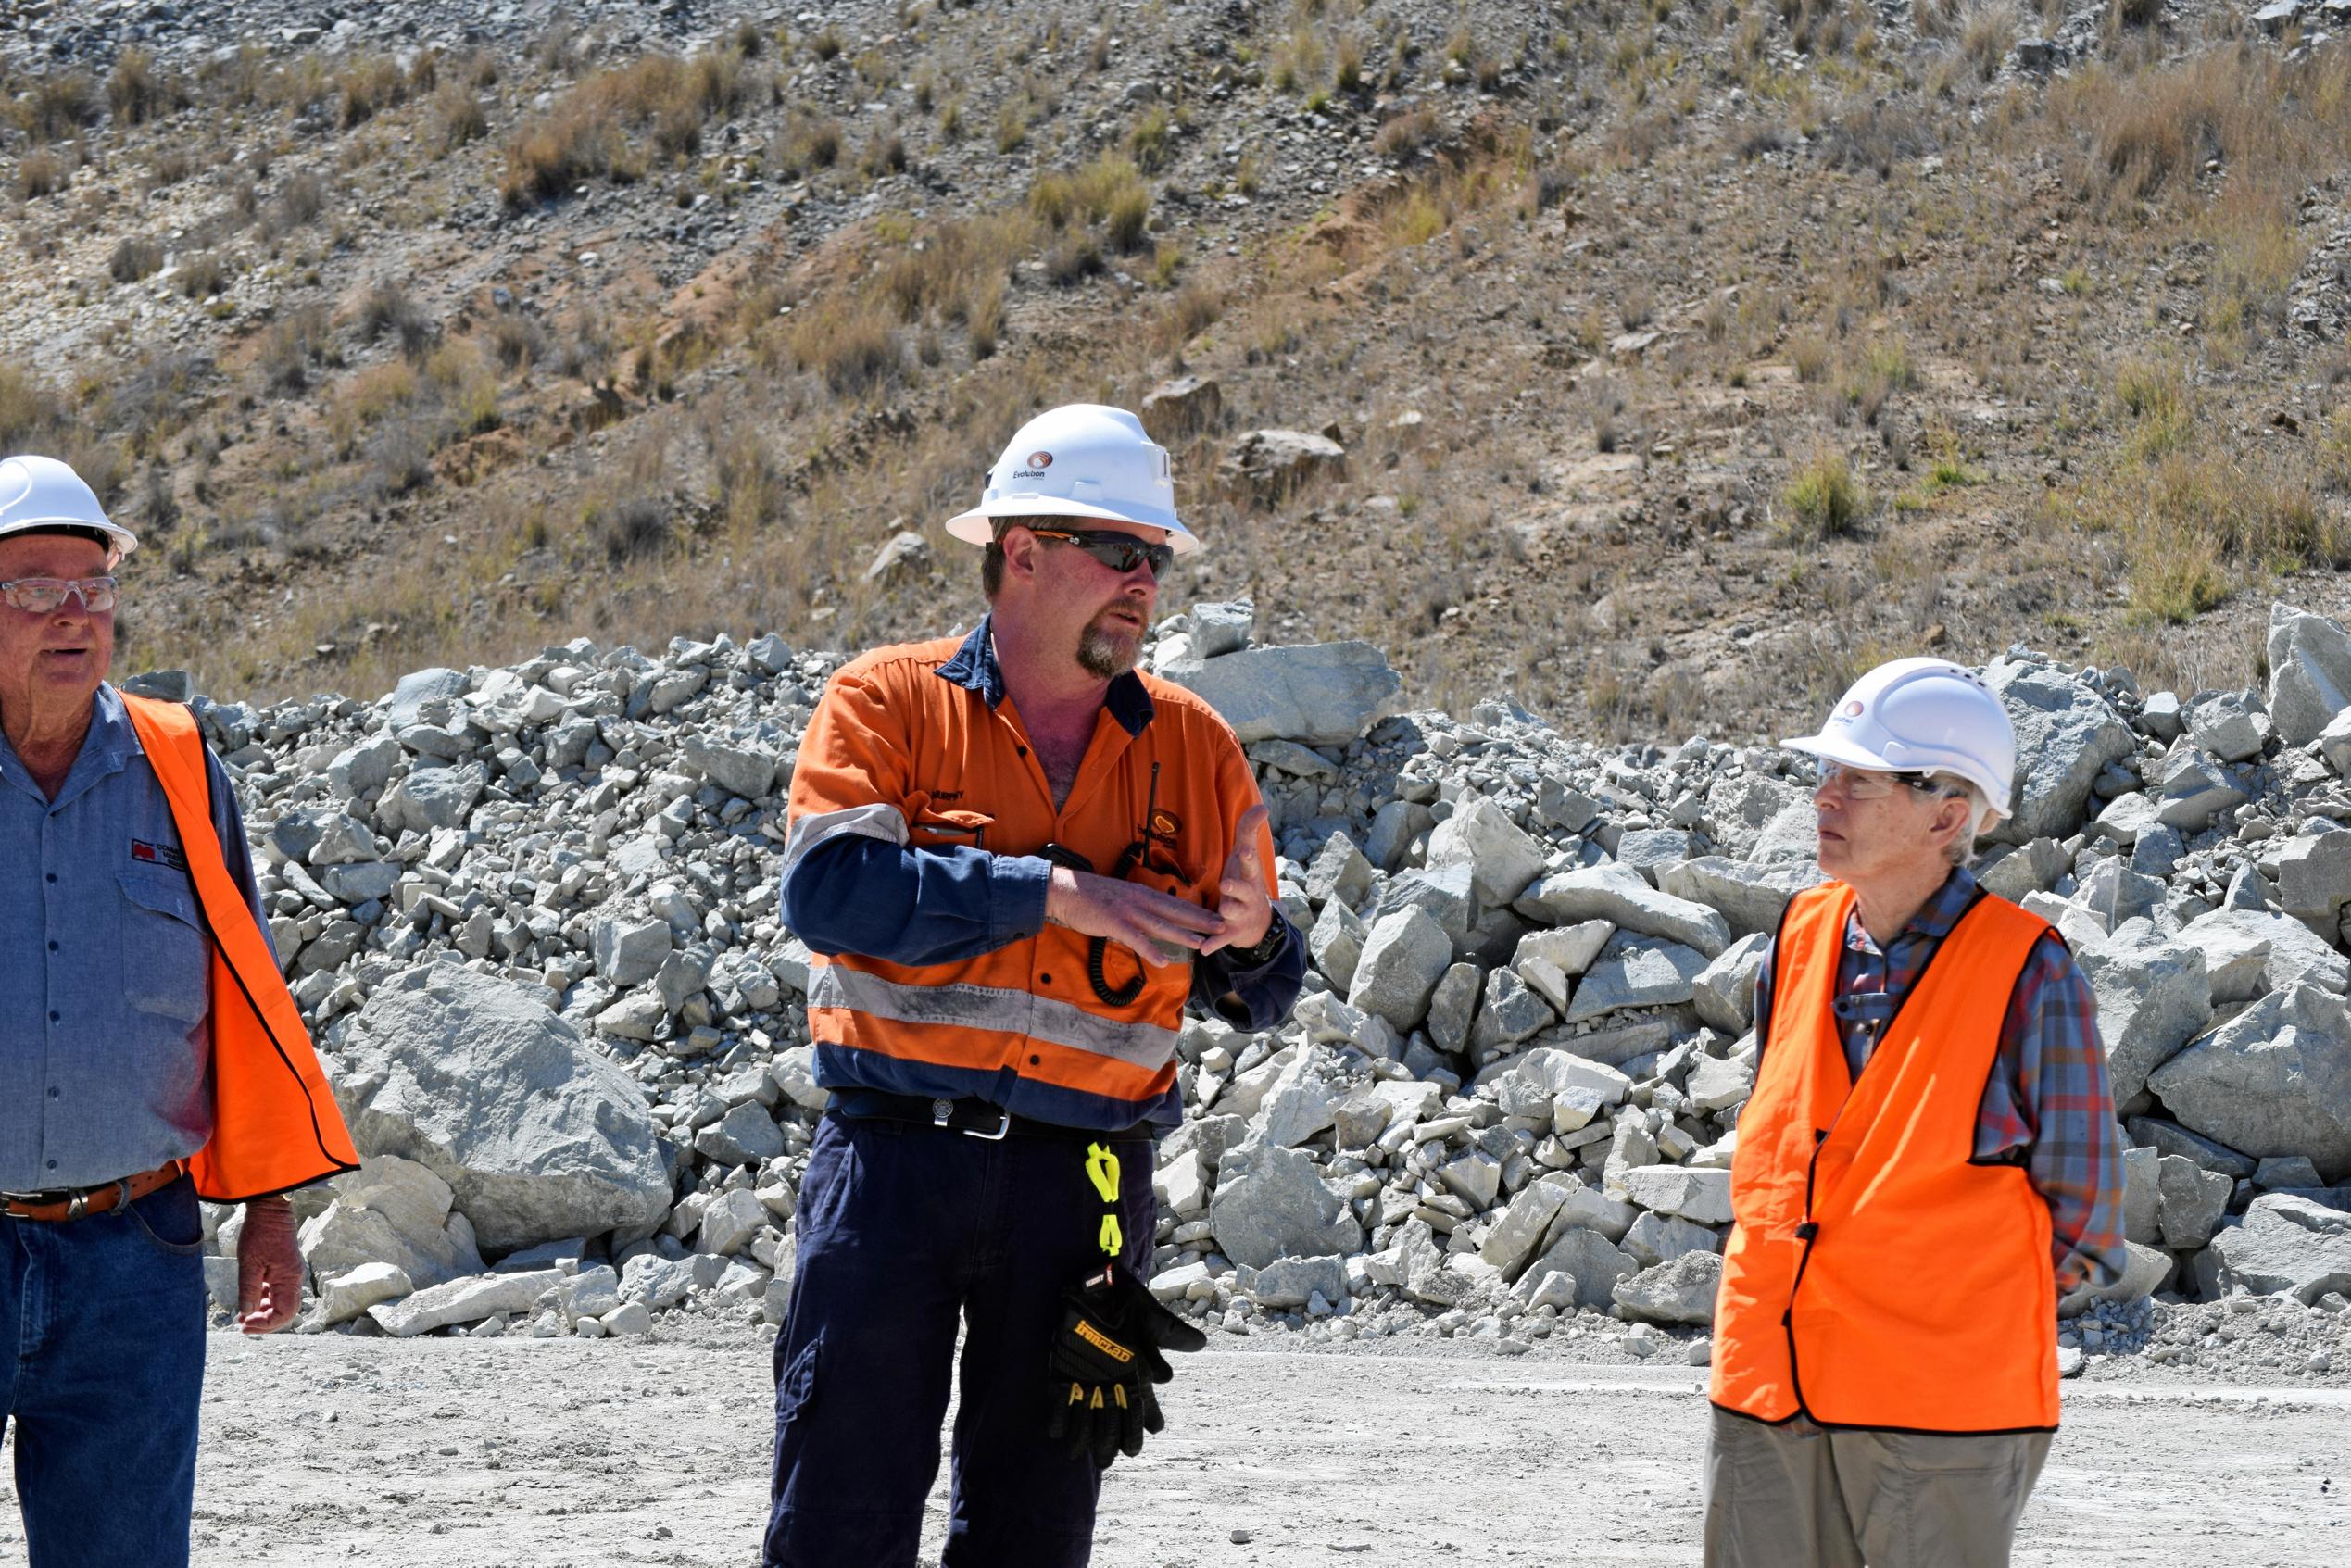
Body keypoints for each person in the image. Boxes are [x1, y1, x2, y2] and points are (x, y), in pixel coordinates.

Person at [767, 404, 1304, 1566]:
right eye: (1121, 553)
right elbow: (832, 893)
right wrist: (1054, 895)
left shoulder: (1195, 744)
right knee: (838, 1527)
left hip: (1087, 1198)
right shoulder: (888, 702)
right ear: (1022, 551)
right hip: (893, 1167)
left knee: (1034, 1539)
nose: (1144, 584)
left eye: (1155, 561)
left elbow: (1262, 993)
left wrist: (1256, 944)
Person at [0, 453, 359, 1567]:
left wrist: (269, 1208)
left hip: (134, 1260)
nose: (77, 613)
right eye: (38, 587)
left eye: (95, 587)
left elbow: (241, 998)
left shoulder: (179, 761)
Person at [1703, 656, 2129, 1567]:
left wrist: (1938, 1311)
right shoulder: (1797, 935)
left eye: (1858, 779)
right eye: (1827, 773)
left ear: (1947, 814)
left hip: (1941, 1422)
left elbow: (2083, 1219)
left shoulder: (2030, 973)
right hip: (1768, 1389)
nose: (1825, 795)